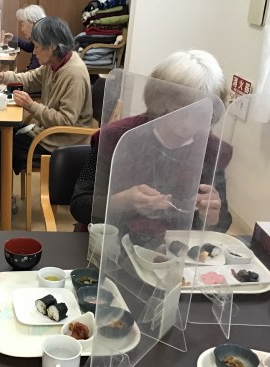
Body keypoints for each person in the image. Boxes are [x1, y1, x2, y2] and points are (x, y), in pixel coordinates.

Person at [70, 50, 233, 233]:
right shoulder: (116, 137)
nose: (188, 125)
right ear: (159, 101)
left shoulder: (212, 150)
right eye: (180, 111)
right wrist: (123, 202)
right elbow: (80, 205)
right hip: (110, 238)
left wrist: (211, 217)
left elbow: (222, 221)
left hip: (173, 245)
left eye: (201, 115)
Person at [0, 16, 93, 222]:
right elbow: (30, 78)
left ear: (54, 46)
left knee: (2, 140)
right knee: (0, 134)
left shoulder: (73, 74)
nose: (34, 51)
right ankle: (2, 198)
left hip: (63, 139)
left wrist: (31, 105)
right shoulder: (55, 63)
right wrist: (1, 77)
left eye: (38, 46)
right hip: (49, 130)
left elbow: (66, 121)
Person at [3, 5, 46, 71]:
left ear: (33, 23)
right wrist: (13, 38)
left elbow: (33, 73)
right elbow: (30, 47)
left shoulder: (43, 43)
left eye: (23, 25)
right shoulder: (39, 38)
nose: (22, 29)